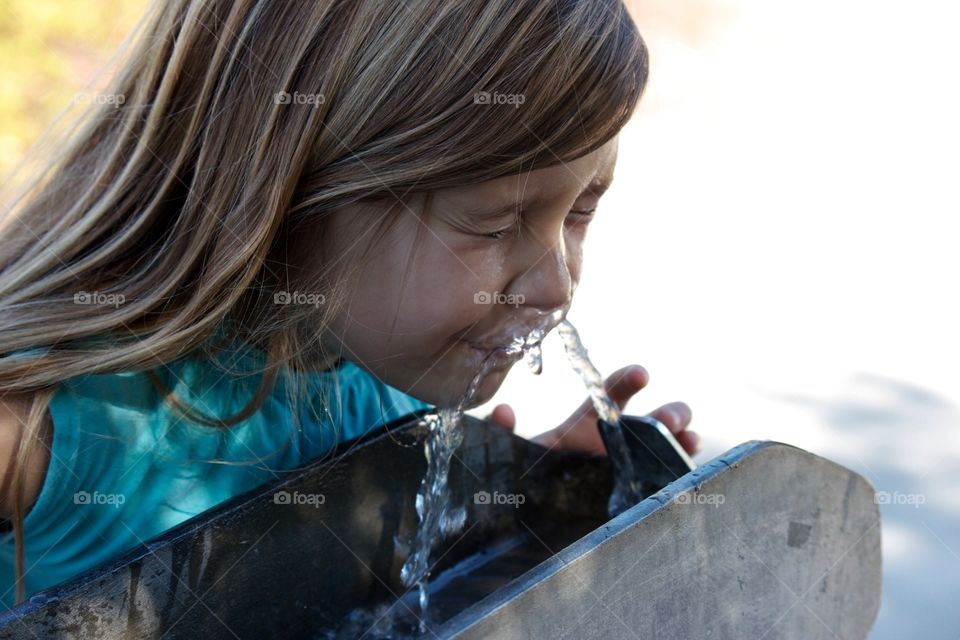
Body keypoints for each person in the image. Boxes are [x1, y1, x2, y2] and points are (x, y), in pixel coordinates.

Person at [0, 0, 698, 611]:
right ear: (290, 182)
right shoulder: (41, 429)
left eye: (580, 211)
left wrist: (529, 483)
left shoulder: (382, 377)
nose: (555, 286)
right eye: (493, 225)